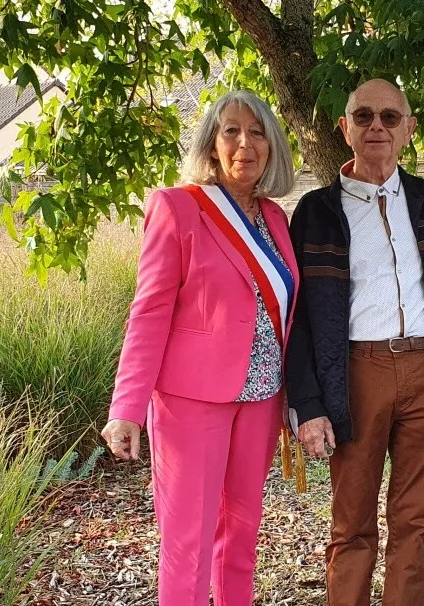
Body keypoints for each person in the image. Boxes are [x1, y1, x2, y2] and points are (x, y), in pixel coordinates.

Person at [99, 90, 298, 606]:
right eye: (231, 131)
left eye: (257, 133)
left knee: (242, 533)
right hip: (190, 402)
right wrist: (127, 410)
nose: (244, 144)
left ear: (271, 147)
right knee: (188, 542)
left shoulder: (276, 218)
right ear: (212, 143)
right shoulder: (177, 206)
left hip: (260, 397)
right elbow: (149, 312)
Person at [285, 78, 424, 606]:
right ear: (344, 129)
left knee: (416, 524)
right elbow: (297, 318)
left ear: (409, 130)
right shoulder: (317, 212)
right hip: (357, 374)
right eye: (363, 117)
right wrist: (309, 403)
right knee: (353, 526)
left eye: (390, 117)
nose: (377, 127)